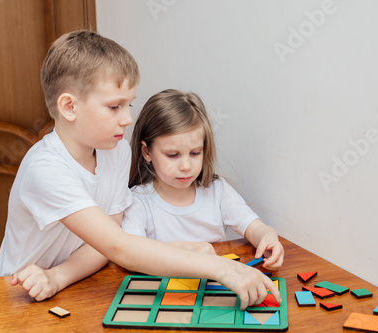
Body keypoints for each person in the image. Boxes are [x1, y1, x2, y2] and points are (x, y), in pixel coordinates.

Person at [0, 30, 281, 310]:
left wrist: (57, 277)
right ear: (69, 107)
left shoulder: (116, 152)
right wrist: (222, 269)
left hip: (74, 284)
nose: (128, 119)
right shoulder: (46, 169)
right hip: (20, 294)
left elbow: (106, 242)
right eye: (114, 107)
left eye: (128, 104)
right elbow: (119, 247)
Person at [122, 89, 284, 271]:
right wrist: (189, 253)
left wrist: (268, 238)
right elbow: (133, 254)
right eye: (173, 155)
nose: (186, 166)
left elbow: (255, 228)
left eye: (195, 153)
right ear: (147, 152)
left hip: (213, 288)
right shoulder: (136, 201)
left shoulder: (217, 190)